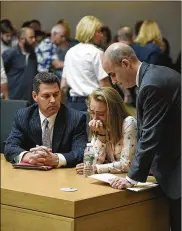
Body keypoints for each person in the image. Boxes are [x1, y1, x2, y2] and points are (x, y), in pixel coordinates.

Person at [102, 42, 181, 231]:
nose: (113, 81)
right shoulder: (154, 75)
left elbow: (150, 135)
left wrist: (132, 178)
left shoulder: (152, 84)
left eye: (113, 74)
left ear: (126, 64)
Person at [4, 72, 87, 168]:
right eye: (46, 96)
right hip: (31, 176)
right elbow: (10, 147)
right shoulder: (23, 116)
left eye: (56, 94)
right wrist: (29, 156)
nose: (53, 100)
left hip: (62, 176)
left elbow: (80, 152)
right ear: (35, 96)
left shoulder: (76, 118)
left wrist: (55, 159)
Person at [76, 87, 137, 175]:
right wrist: (101, 135)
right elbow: (95, 162)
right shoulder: (98, 124)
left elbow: (127, 165)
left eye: (101, 114)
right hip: (115, 180)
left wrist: (96, 168)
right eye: (92, 112)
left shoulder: (129, 123)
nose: (95, 118)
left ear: (114, 112)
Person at [61, 15, 110, 112]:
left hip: (72, 105)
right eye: (98, 31)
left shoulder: (70, 52)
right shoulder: (97, 53)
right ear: (90, 32)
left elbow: (63, 86)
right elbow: (104, 85)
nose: (102, 35)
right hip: (93, 105)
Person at [2, 27, 37, 103]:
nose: (34, 40)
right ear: (21, 39)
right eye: (31, 37)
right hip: (12, 100)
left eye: (34, 37)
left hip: (29, 100)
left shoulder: (33, 55)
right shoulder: (10, 54)